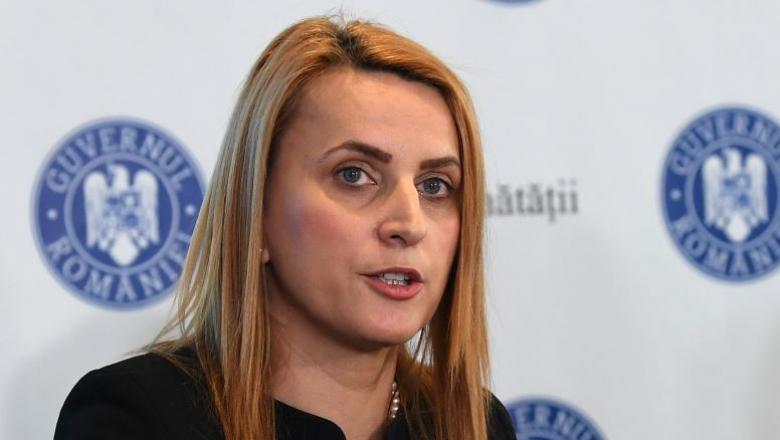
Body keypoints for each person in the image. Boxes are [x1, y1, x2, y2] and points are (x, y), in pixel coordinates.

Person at [54, 15, 515, 440]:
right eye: (354, 175)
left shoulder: (476, 423)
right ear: (255, 212)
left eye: (435, 186)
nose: (410, 224)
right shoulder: (137, 418)